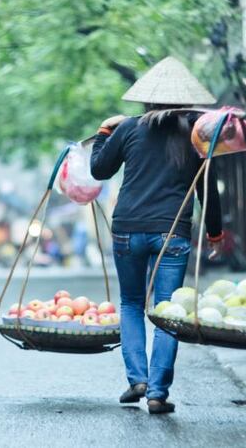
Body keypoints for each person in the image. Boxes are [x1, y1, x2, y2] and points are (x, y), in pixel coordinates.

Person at [90, 57, 223, 414]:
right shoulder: (197, 134)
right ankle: (157, 393)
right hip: (172, 232)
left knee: (131, 304)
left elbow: (99, 169)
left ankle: (138, 379)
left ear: (146, 98)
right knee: (167, 311)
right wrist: (215, 232)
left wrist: (104, 132)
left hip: (127, 230)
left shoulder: (128, 128)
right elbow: (207, 188)